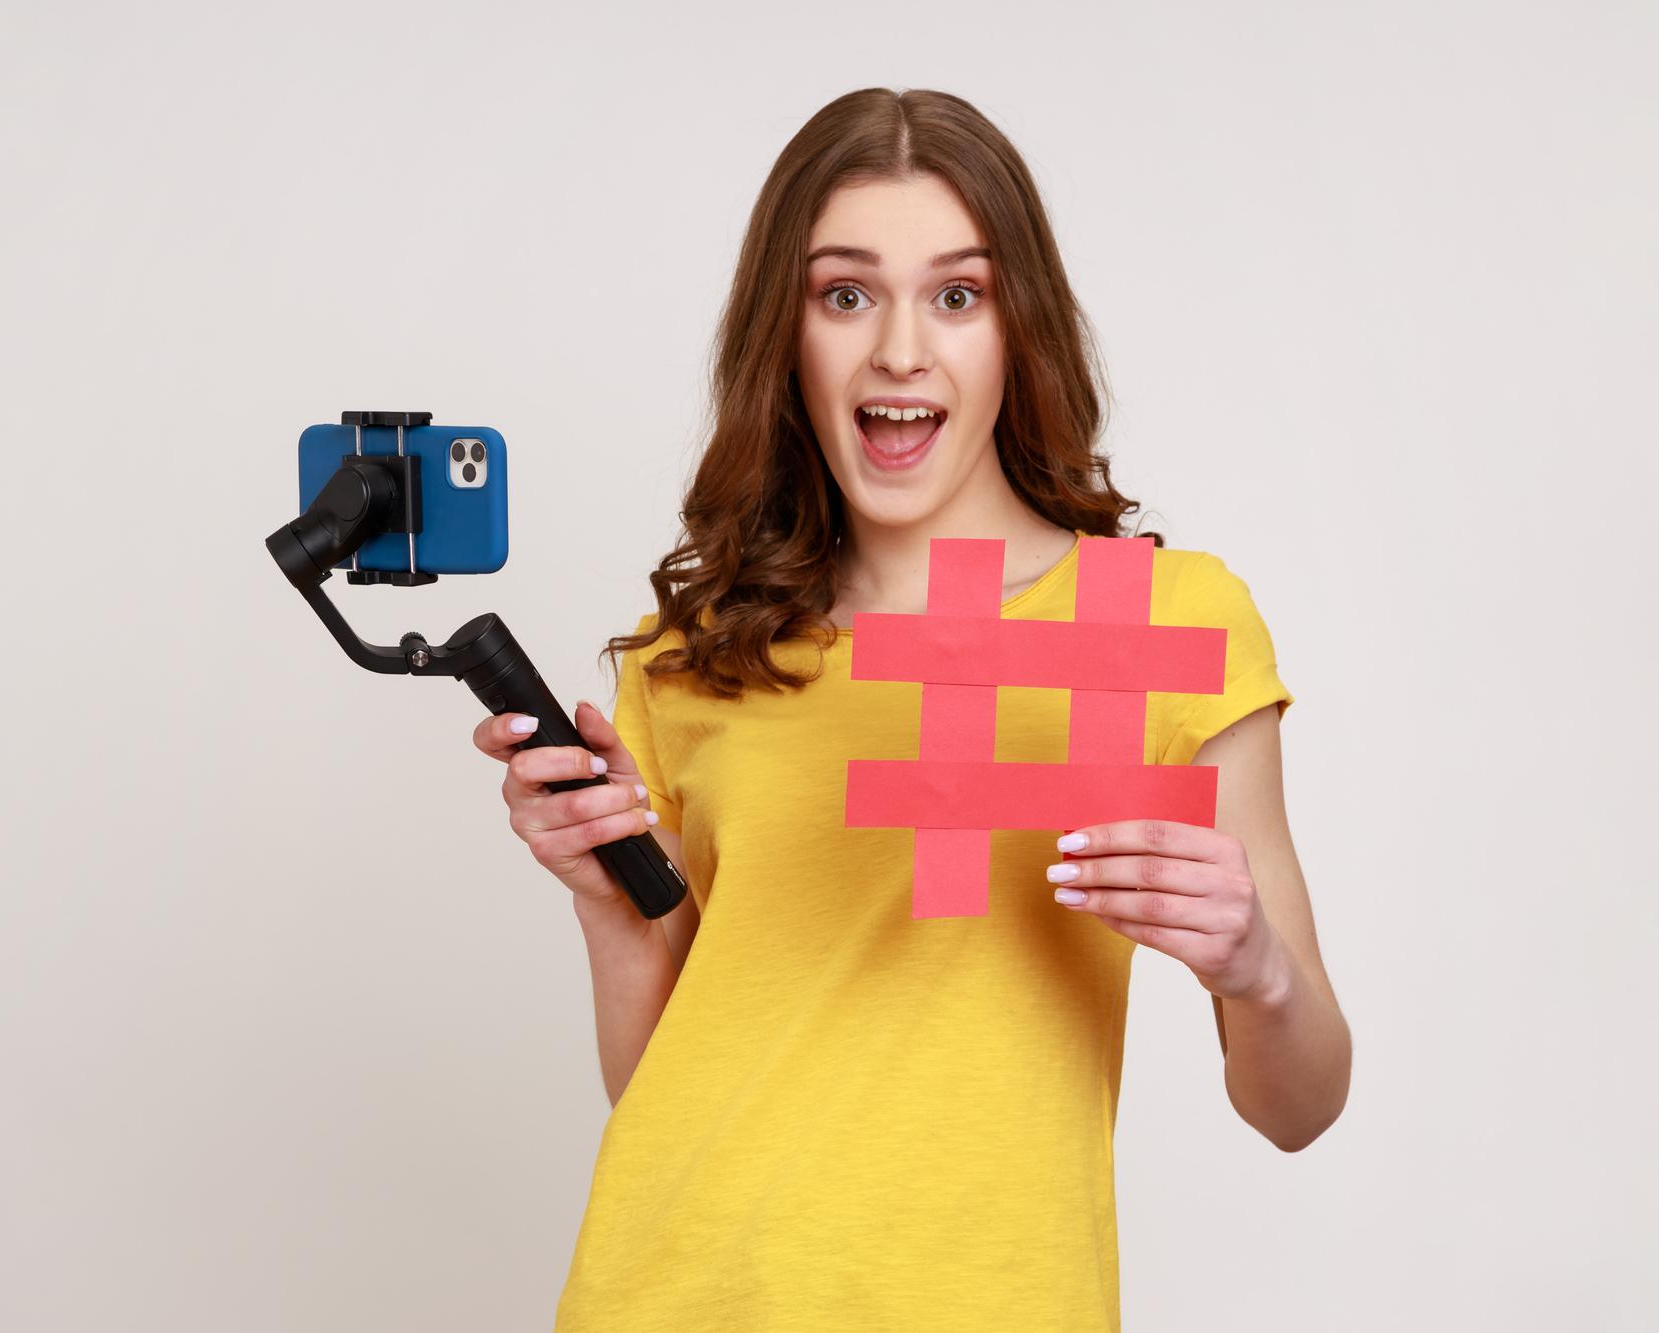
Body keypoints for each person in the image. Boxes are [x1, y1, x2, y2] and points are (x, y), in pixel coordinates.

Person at [471, 87, 1352, 1332]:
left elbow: (1298, 1106)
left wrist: (1255, 969)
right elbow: (662, 1079)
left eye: (956, 293)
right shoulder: (697, 650)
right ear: (787, 333)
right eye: (845, 294)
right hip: (672, 1290)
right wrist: (608, 907)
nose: (898, 348)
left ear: (1016, 327)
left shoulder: (1160, 621)